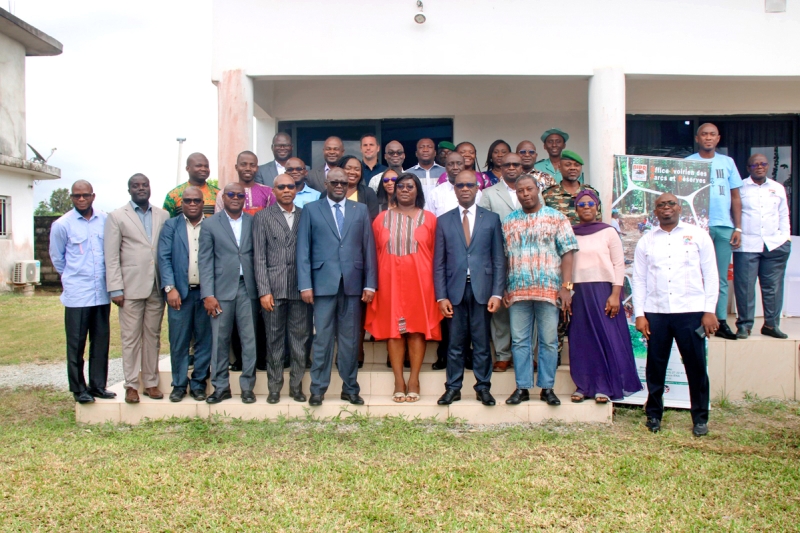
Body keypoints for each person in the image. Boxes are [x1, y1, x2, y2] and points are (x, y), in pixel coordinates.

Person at [633, 193, 718, 437]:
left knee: (696, 366)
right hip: (657, 312)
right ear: (655, 211)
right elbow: (638, 280)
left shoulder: (698, 236)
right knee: (655, 366)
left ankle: (700, 417)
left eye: (670, 203)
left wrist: (709, 310)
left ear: (679, 207)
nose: (666, 208)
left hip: (690, 312)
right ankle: (654, 414)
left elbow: (711, 275)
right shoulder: (646, 241)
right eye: (661, 205)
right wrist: (640, 314)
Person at [296, 167, 378, 406]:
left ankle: (350, 388)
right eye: (335, 182)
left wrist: (370, 284)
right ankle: (318, 389)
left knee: (351, 340)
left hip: (353, 286)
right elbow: (303, 251)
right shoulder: (311, 210)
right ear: (326, 183)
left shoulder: (360, 210)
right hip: (321, 286)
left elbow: (369, 250)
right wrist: (305, 285)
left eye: (344, 182)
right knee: (322, 339)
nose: (340, 186)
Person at [365, 173, 441, 403]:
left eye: (410, 186)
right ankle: (399, 380)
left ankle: (414, 379)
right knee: (393, 329)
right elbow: (372, 253)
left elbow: (437, 255)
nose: (405, 190)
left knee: (417, 328)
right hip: (389, 282)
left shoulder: (430, 219)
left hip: (421, 282)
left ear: (418, 191)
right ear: (394, 191)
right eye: (401, 186)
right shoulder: (381, 219)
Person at [503, 174, 577, 407]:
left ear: (538, 190)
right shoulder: (509, 221)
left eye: (529, 189)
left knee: (548, 341)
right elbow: (503, 258)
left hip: (548, 291)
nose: (525, 194)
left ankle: (547, 388)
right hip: (518, 292)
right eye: (520, 191)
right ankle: (522, 387)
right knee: (520, 342)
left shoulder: (557, 218)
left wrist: (566, 287)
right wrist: (503, 287)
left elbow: (568, 253)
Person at [434, 170, 505, 407]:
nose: (465, 189)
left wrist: (497, 292)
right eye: (460, 185)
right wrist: (441, 296)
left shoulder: (491, 219)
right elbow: (439, 262)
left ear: (478, 189)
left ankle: (483, 388)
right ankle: (453, 388)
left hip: (483, 291)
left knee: (482, 343)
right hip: (454, 291)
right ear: (454, 189)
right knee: (454, 343)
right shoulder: (443, 220)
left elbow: (498, 259)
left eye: (470, 185)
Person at [568, 189, 642, 403]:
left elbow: (619, 264)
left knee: (606, 338)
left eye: (590, 203)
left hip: (604, 292)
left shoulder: (608, 232)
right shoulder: (570, 232)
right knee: (582, 340)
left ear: (597, 206)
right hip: (578, 293)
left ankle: (604, 387)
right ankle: (583, 386)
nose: (586, 208)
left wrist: (615, 294)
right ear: (576, 209)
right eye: (581, 205)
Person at [105, 174, 169, 404]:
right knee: (131, 338)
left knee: (152, 336)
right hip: (129, 287)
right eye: (136, 186)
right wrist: (115, 288)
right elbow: (111, 255)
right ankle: (131, 384)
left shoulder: (162, 214)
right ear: (129, 190)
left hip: (156, 286)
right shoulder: (117, 216)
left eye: (144, 185)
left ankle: (150, 382)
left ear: (150, 188)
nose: (141, 189)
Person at [49, 180, 114, 404]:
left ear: (93, 196)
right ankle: (79, 388)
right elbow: (58, 259)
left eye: (85, 195)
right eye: (77, 196)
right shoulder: (62, 225)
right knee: (76, 344)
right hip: (78, 294)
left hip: (101, 293)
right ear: (72, 198)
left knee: (101, 341)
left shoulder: (105, 220)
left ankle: (98, 386)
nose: (82, 199)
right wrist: (73, 277)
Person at [253, 174, 313, 403]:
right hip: (274, 290)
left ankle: (296, 387)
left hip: (300, 288)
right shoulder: (263, 217)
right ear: (273, 191)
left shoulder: (305, 215)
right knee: (274, 340)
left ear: (297, 189)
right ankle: (274, 388)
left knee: (299, 340)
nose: (287, 190)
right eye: (281, 187)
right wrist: (263, 291)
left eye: (291, 186)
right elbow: (259, 257)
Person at [199, 183, 260, 404]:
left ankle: (247, 387)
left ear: (245, 198)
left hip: (248, 288)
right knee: (219, 340)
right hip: (220, 291)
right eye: (231, 194)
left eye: (240, 195)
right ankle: (221, 387)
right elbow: (204, 261)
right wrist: (208, 294)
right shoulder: (211, 225)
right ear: (223, 197)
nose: (235, 198)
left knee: (249, 339)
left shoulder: (254, 222)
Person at [686, 123, 743, 340]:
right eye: (704, 134)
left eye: (712, 134)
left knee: (718, 276)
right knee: (695, 274)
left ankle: (720, 322)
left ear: (718, 139)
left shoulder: (727, 163)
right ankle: (696, 319)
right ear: (697, 138)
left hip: (724, 226)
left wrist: (737, 227)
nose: (708, 138)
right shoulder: (688, 163)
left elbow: (736, 197)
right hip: (696, 227)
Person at [542, 150, 600, 364]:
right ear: (560, 168)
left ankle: (586, 358)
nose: (572, 168)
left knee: (584, 311)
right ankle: (553, 356)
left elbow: (597, 226)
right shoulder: (549, 195)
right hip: (558, 262)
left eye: (576, 165)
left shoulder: (590, 194)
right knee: (558, 309)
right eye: (568, 165)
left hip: (586, 262)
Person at [157, 186, 212, 402]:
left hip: (205, 294)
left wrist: (211, 293)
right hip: (179, 294)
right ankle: (179, 384)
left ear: (202, 203)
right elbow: (164, 258)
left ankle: (198, 383)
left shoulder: (212, 225)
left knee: (204, 341)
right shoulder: (171, 225)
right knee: (178, 341)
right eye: (187, 200)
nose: (191, 204)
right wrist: (170, 288)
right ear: (181, 204)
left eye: (196, 200)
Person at [733, 153, 792, 339]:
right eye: (754, 165)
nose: (759, 167)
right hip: (747, 245)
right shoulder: (740, 187)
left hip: (774, 245)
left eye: (763, 164)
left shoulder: (777, 188)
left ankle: (771, 325)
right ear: (748, 168)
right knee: (745, 287)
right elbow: (734, 212)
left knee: (773, 287)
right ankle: (744, 325)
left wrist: (785, 238)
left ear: (767, 166)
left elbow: (784, 214)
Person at [479, 153, 525, 373]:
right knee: (500, 308)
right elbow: (484, 228)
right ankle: (503, 355)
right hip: (499, 257)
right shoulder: (488, 194)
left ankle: (527, 354)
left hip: (528, 260)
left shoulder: (532, 190)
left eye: (516, 164)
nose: (512, 168)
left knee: (526, 306)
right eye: (507, 164)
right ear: (501, 167)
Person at [215, 151, 276, 215]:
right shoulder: (225, 193)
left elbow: (273, 219)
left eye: (252, 165)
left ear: (257, 168)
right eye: (243, 164)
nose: (248, 168)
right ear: (236, 167)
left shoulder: (268, 192)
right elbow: (218, 220)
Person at [428, 151, 483, 217]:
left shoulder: (476, 192)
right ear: (445, 167)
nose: (455, 167)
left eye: (459, 163)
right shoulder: (435, 193)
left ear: (464, 166)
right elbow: (430, 220)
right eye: (451, 164)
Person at [164, 152, 219, 218]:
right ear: (187, 168)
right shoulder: (173, 195)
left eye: (206, 166)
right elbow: (167, 221)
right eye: (199, 166)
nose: (204, 169)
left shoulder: (218, 194)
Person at [338, 155, 379, 221]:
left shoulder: (368, 193)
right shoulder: (328, 193)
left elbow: (372, 220)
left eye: (357, 169)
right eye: (348, 168)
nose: (352, 172)